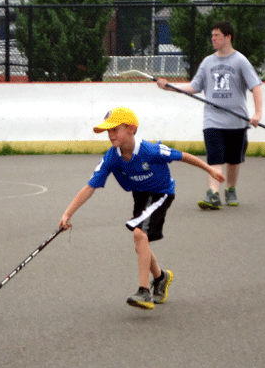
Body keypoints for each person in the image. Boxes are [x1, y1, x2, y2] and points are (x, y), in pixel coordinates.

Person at [58, 107, 225, 310]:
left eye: (114, 129)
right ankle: (161, 277)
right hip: (141, 196)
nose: (110, 135)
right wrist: (67, 213)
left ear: (131, 129)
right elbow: (91, 186)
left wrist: (210, 169)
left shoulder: (151, 150)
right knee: (141, 240)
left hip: (161, 194)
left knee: (139, 234)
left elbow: (183, 156)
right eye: (108, 131)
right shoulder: (112, 157)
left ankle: (144, 291)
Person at [156, 21, 263, 210]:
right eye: (212, 35)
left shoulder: (240, 61)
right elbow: (194, 87)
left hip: (237, 120)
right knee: (215, 157)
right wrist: (171, 87)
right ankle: (213, 193)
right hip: (212, 120)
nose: (213, 39)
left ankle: (230, 189)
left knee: (233, 159)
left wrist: (258, 113)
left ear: (228, 37)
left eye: (217, 36)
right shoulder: (208, 62)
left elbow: (255, 86)